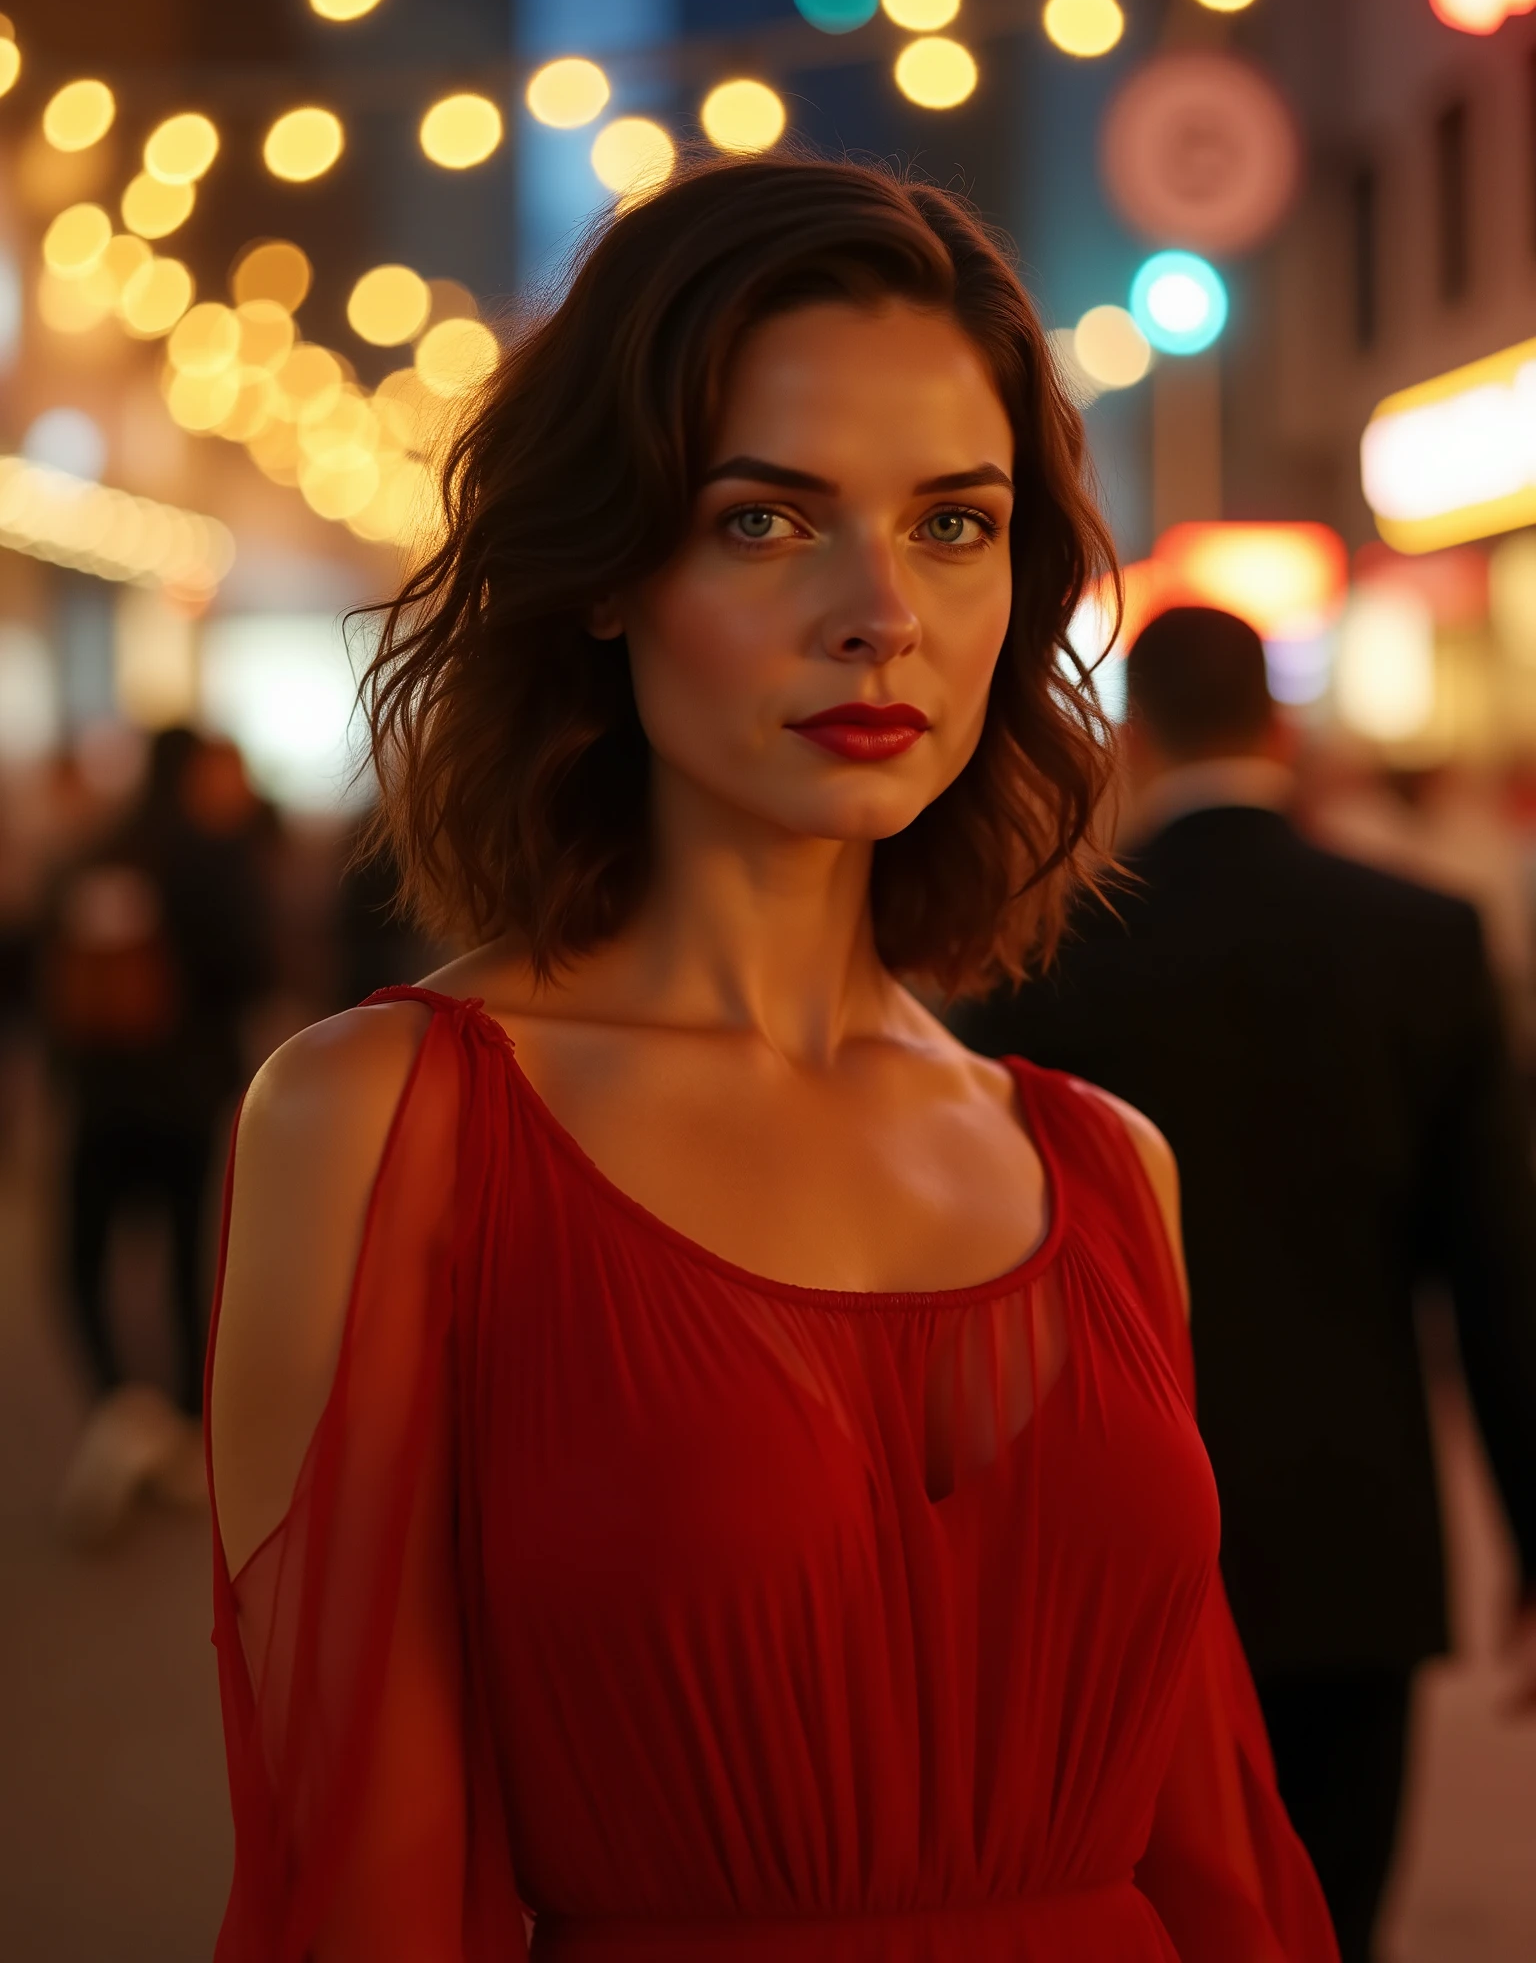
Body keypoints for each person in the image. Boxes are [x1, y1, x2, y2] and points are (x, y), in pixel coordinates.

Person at [207, 161, 1336, 1963]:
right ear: (602, 572)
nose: (877, 609)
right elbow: (362, 1873)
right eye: (763, 519)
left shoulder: (1108, 1164)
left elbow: (1213, 1833)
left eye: (954, 524)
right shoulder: (390, 1123)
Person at [959, 604, 1536, 1963]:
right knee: (1336, 1910)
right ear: (1280, 726)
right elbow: (1500, 1260)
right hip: (1358, 1539)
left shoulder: (1045, 957)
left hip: (1115, 1546)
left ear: (1135, 740)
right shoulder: (1420, 935)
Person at [43, 726, 276, 1537]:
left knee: (80, 1258)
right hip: (183, 1096)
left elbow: (42, 967)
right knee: (186, 1260)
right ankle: (176, 1424)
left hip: (102, 1096)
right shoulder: (210, 858)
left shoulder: (100, 850)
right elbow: (253, 964)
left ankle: (119, 1401)